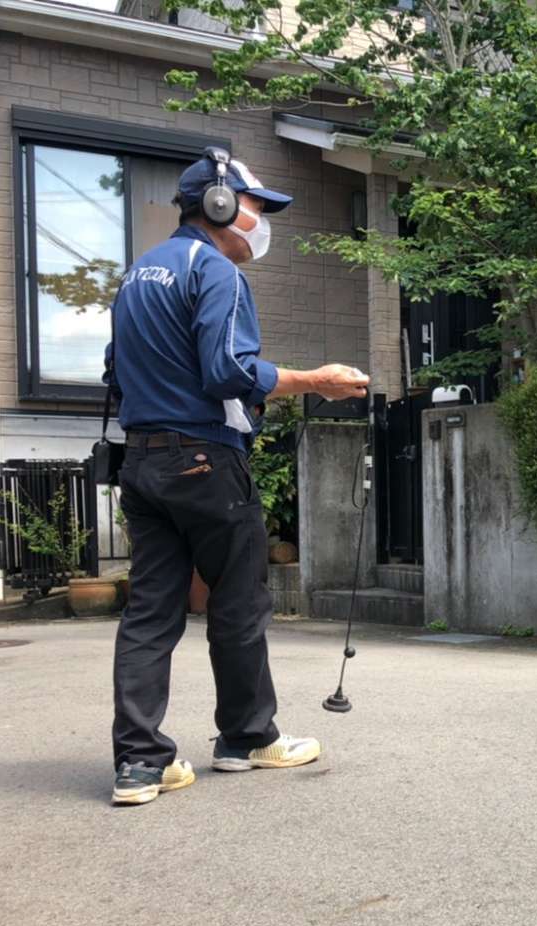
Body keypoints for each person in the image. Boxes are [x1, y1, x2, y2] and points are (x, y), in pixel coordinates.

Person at [107, 148, 370, 806]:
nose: (260, 220)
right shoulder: (214, 271)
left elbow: (115, 370)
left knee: (150, 612)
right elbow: (227, 369)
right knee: (238, 604)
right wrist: (317, 381)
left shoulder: (138, 275)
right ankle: (247, 738)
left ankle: (138, 764)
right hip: (205, 460)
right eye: (255, 206)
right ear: (219, 204)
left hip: (141, 461)